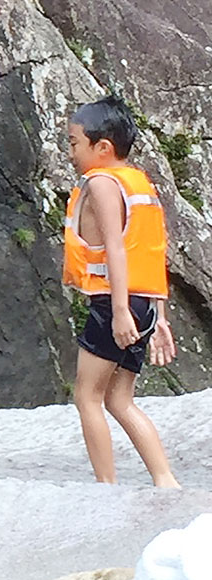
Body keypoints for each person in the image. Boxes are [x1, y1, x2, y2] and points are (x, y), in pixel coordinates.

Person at [62, 96, 182, 487]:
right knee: (119, 400)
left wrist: (117, 312)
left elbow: (115, 245)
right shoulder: (138, 184)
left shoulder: (101, 182)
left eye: (74, 142)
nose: (70, 151)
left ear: (103, 148)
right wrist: (159, 317)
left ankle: (105, 487)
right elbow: (150, 251)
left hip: (116, 304)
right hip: (142, 304)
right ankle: (165, 481)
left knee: (87, 397)